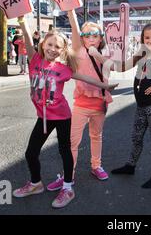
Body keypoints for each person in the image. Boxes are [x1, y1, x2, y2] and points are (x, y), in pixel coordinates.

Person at [12, 16, 117, 209]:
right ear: (43, 45)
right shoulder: (35, 60)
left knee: (65, 151)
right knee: (30, 153)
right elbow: (27, 38)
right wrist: (22, 22)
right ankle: (36, 183)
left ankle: (68, 187)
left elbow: (84, 76)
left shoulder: (63, 69)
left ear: (62, 50)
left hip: (61, 117)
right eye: (49, 44)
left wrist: (105, 85)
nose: (52, 49)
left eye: (57, 47)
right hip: (43, 117)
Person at [47, 10, 117, 192]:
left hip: (100, 103)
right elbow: (75, 30)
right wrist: (71, 13)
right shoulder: (78, 51)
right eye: (87, 35)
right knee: (73, 141)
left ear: (101, 38)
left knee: (96, 135)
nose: (91, 38)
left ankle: (96, 166)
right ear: (83, 39)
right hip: (81, 103)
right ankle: (68, 174)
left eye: (95, 35)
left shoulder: (106, 53)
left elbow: (112, 68)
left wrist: (97, 54)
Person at [108, 23, 151, 188]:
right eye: (147, 37)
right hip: (141, 105)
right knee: (136, 137)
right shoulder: (141, 54)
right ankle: (130, 166)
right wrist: (109, 57)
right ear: (142, 39)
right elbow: (122, 67)